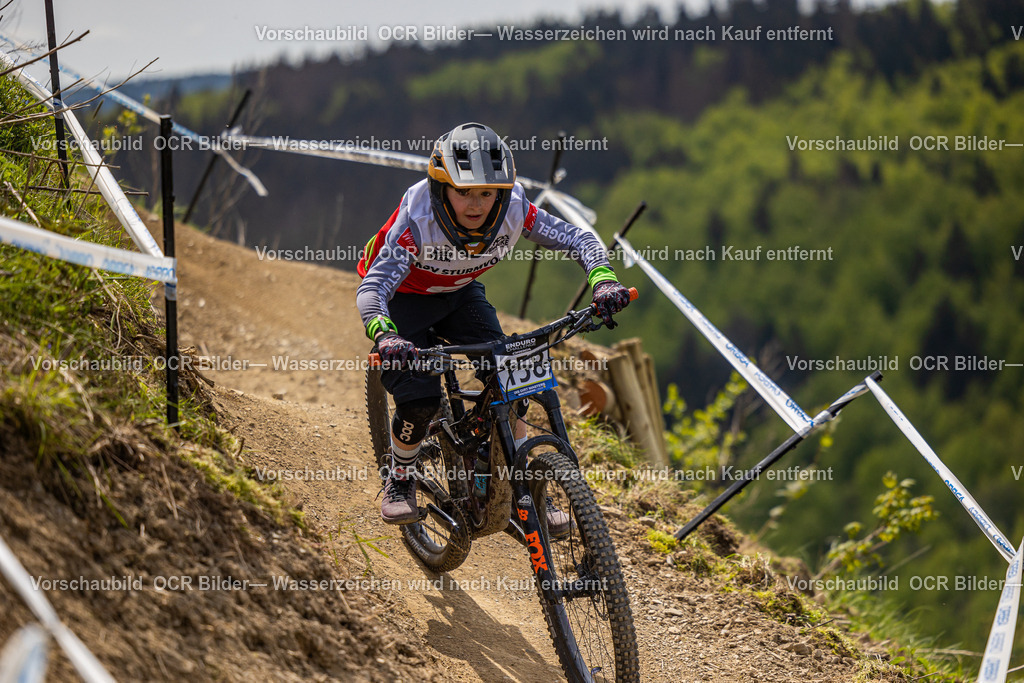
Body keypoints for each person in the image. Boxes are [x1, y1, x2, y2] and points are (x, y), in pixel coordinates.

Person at [356, 122, 631, 526]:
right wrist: (385, 334)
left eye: (486, 193)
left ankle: (520, 481)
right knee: (420, 400)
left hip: (461, 292)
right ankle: (400, 476)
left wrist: (603, 279)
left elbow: (580, 240)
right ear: (441, 187)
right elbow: (374, 286)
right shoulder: (417, 218)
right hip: (404, 299)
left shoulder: (516, 208)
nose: (476, 205)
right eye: (463, 191)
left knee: (513, 380)